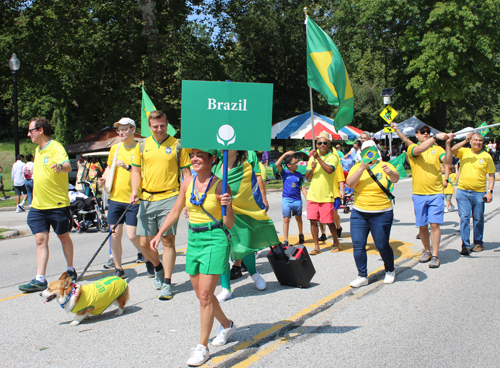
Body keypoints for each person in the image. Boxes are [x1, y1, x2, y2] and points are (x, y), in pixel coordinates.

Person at [150, 148, 236, 366]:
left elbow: (228, 224)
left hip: (215, 238)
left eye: (200, 155)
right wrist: (159, 234)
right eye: (192, 156)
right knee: (201, 295)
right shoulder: (187, 182)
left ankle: (202, 347)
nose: (195, 159)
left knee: (206, 295)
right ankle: (227, 325)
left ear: (212, 159)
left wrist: (228, 206)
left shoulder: (220, 185)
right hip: (194, 240)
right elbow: (176, 210)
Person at [130, 110, 192, 300]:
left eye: (162, 125)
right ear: (149, 127)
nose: (159, 129)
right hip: (147, 199)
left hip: (170, 198)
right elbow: (136, 172)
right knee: (144, 243)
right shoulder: (141, 146)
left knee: (167, 241)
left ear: (167, 124)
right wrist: (134, 191)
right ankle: (157, 267)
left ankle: (167, 282)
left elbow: (187, 176)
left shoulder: (178, 145)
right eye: (155, 126)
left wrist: (188, 201)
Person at [19, 117, 76, 292]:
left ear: (41, 130)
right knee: (40, 240)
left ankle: (70, 269)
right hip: (38, 205)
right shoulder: (38, 151)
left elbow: (67, 165)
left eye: (31, 131)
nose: (29, 134)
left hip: (56, 203)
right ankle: (40, 278)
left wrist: (60, 166)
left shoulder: (55, 147)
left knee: (63, 236)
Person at [215, 150, 280, 302]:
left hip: (242, 211)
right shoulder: (216, 166)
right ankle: (226, 288)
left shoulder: (245, 167)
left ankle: (254, 273)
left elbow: (247, 190)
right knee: (224, 248)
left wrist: (262, 199)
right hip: (221, 212)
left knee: (245, 246)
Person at [392, 121, 453, 268]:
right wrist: (435, 137)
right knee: (423, 226)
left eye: (427, 132)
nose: (426, 134)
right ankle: (427, 251)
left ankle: (436, 255)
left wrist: (448, 144)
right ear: (417, 135)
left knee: (434, 225)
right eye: (422, 132)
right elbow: (418, 150)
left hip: (436, 192)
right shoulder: (413, 148)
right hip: (419, 194)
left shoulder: (437, 149)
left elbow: (448, 161)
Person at [346, 140, 400, 287]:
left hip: (382, 212)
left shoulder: (385, 165)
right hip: (360, 212)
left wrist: (390, 172)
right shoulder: (357, 167)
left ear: (376, 151)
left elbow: (395, 179)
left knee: (382, 244)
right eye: (365, 150)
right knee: (358, 245)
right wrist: (361, 168)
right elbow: (350, 184)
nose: (368, 153)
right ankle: (362, 275)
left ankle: (389, 270)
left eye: (371, 149)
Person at [97, 118, 142, 279]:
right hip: (115, 198)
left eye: (124, 129)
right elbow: (109, 168)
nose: (121, 132)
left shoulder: (140, 149)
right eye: (119, 130)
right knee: (114, 234)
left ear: (132, 129)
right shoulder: (115, 149)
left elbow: (145, 173)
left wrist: (128, 167)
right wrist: (103, 178)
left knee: (132, 235)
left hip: (134, 199)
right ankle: (118, 268)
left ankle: (149, 258)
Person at [451, 132, 495, 255]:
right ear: (471, 141)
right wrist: (465, 140)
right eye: (475, 140)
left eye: (480, 140)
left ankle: (478, 242)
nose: (477, 142)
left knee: (478, 218)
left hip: (479, 193)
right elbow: (452, 149)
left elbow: (491, 176)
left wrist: (490, 191)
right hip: (463, 191)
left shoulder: (486, 156)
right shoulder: (464, 152)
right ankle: (465, 245)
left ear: (482, 142)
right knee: (464, 218)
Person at [305, 131, 340, 254]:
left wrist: (318, 158)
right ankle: (316, 246)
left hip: (326, 196)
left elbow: (330, 170)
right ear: (317, 144)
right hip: (313, 195)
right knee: (313, 221)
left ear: (329, 144)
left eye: (325, 143)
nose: (322, 145)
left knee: (329, 221)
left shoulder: (333, 157)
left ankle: (336, 241)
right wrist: (312, 168)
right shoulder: (312, 159)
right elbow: (307, 177)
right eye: (319, 143)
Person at [275, 151, 307, 246]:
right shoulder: (284, 172)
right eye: (295, 163)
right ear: (288, 165)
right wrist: (285, 154)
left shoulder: (299, 175)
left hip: (297, 200)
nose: (297, 164)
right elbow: (277, 164)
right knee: (286, 219)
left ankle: (301, 234)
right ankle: (286, 240)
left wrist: (307, 199)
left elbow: (303, 187)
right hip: (286, 199)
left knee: (298, 218)